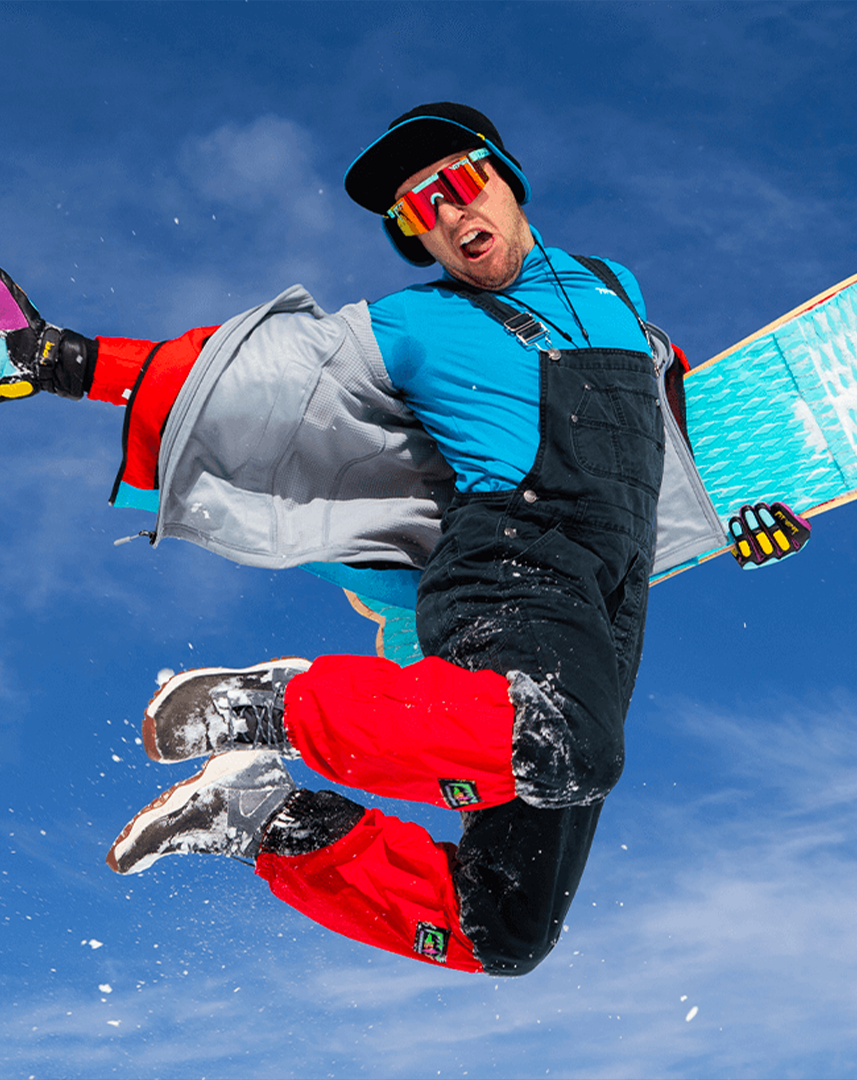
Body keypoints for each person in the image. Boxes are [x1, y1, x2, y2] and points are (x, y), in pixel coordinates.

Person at [0, 103, 733, 975]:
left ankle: (266, 819)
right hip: (511, 563)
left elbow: (660, 398)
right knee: (567, 747)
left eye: (461, 183)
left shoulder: (614, 285)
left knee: (504, 927)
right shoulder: (409, 327)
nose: (450, 216)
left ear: (507, 179)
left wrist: (744, 514)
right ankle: (269, 706)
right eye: (418, 213)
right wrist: (63, 359)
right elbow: (243, 374)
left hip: (611, 598)